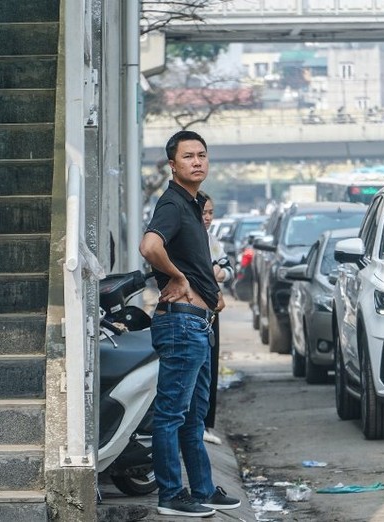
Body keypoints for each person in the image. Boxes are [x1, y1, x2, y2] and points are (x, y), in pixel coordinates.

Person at [139, 130, 241, 517]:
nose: (197, 162)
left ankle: (201, 488)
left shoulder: (193, 204)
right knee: (171, 414)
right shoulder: (173, 204)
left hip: (198, 324)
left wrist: (207, 289)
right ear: (173, 165)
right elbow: (150, 246)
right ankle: (170, 495)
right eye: (188, 156)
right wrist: (178, 280)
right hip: (180, 325)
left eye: (201, 155)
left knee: (194, 417)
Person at [199, 191, 233, 446]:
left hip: (211, 312)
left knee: (209, 367)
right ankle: (196, 423)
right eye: (204, 212)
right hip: (192, 312)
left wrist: (220, 272)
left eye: (211, 212)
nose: (208, 218)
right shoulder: (185, 238)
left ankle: (205, 423)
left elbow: (227, 268)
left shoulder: (211, 240)